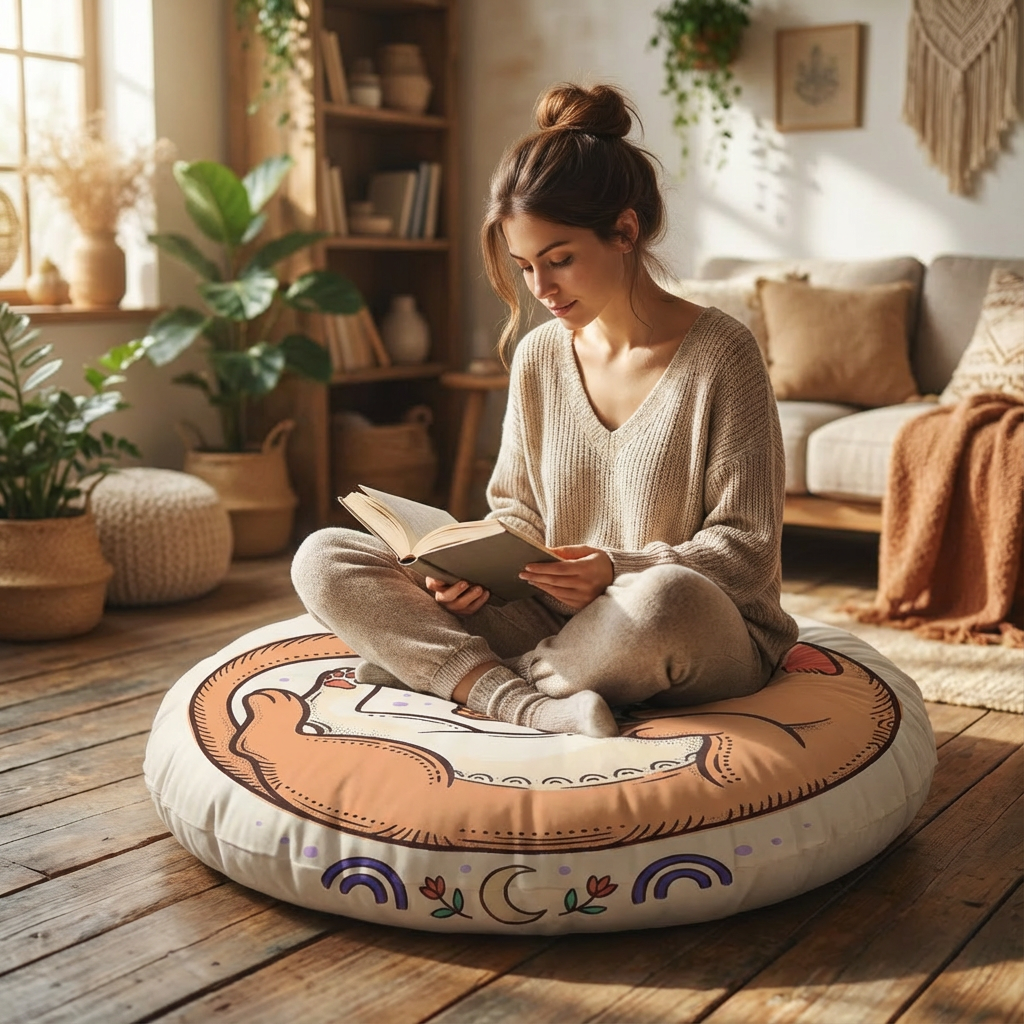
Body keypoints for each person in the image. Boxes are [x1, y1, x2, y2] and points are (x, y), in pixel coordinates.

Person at [291, 82, 797, 739]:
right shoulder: (539, 356)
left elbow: (747, 552)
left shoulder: (723, 354)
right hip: (552, 619)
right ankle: (527, 700)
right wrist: (465, 576)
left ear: (624, 231)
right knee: (324, 558)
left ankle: (445, 667)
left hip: (692, 626)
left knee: (667, 599)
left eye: (559, 260)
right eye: (525, 266)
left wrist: (617, 569)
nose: (542, 289)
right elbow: (517, 513)